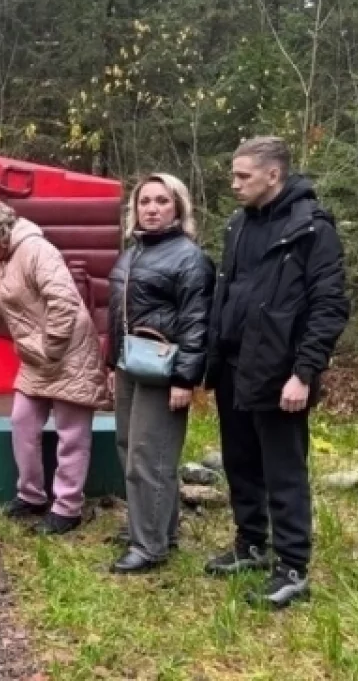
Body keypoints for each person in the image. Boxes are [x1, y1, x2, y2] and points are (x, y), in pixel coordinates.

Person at [203, 136, 349, 609]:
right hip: (232, 364)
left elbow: (328, 307)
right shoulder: (238, 225)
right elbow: (226, 293)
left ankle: (292, 567)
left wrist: (304, 373)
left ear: (274, 174)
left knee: (283, 471)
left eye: (243, 175)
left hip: (280, 372)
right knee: (240, 461)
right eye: (234, 174)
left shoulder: (312, 229)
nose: (234, 184)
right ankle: (251, 544)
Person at [0, 199, 110, 535]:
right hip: (38, 360)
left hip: (69, 355)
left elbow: (64, 300)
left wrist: (52, 348)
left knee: (71, 435)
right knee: (22, 421)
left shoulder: (37, 251)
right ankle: (31, 495)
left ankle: (67, 507)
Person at [106, 173, 213, 574]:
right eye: (144, 201)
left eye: (161, 201)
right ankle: (156, 528)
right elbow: (116, 315)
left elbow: (197, 322)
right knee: (127, 445)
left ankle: (148, 546)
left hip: (164, 369)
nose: (151, 208)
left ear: (178, 207)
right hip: (129, 363)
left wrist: (185, 379)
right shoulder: (132, 254)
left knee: (150, 458)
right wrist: (111, 364)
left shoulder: (189, 258)